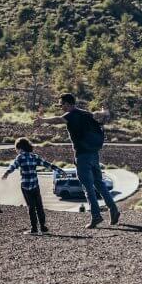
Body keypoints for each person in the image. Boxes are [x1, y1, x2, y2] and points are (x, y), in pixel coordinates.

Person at [35, 93, 119, 229]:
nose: (60, 107)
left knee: (88, 187)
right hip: (94, 154)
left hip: (82, 156)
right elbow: (100, 115)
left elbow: (57, 120)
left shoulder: (70, 115)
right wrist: (104, 111)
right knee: (99, 183)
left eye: (61, 105)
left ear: (68, 104)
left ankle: (96, 216)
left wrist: (42, 120)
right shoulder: (86, 113)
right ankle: (113, 209)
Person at [1, 137, 65, 235]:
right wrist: (60, 170)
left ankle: (34, 229)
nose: (17, 151)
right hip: (35, 185)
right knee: (39, 206)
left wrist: (6, 173)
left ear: (20, 148)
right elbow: (47, 164)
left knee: (31, 207)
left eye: (16, 149)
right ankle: (43, 227)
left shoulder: (20, 157)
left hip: (26, 186)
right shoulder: (34, 157)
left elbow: (13, 166)